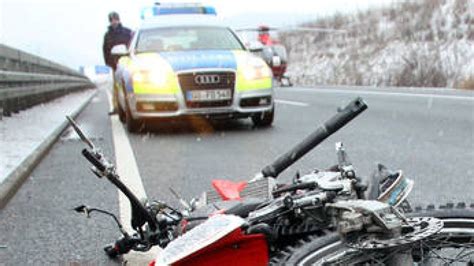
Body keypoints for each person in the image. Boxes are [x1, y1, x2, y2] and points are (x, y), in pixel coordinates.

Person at [102, 11, 132, 113]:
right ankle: (116, 107)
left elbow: (131, 47)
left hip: (128, 64)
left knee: (130, 84)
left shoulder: (127, 32)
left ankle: (130, 105)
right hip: (115, 64)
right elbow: (105, 50)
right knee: (116, 86)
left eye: (115, 19)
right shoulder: (108, 35)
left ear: (119, 20)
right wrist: (110, 63)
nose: (114, 22)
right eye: (112, 20)